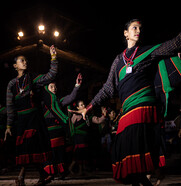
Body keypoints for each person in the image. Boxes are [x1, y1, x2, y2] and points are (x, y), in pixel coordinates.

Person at [69, 1, 181, 185]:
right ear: (125, 33)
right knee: (125, 151)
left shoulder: (148, 52)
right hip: (127, 108)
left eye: (140, 28)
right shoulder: (118, 60)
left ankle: (151, 173)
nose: (138, 31)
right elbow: (108, 88)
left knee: (134, 147)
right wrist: (88, 107)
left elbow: (175, 43)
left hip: (144, 105)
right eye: (134, 28)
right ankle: (147, 180)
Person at [4, 45, 58, 185]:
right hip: (22, 121)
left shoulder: (32, 78)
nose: (25, 62)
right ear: (15, 65)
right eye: (22, 60)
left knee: (33, 147)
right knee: (26, 149)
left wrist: (53, 57)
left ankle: (22, 177)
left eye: (26, 60)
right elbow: (10, 106)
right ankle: (43, 175)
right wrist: (9, 125)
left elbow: (51, 75)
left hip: (34, 119)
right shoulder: (11, 84)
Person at [41, 73, 82, 181]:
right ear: (46, 89)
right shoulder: (42, 104)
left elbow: (71, 97)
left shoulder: (59, 101)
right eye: (51, 87)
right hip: (48, 134)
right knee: (50, 154)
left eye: (55, 87)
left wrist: (76, 86)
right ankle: (50, 173)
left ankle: (62, 172)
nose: (54, 89)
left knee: (60, 153)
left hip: (59, 133)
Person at [68, 100, 106, 176]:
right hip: (78, 137)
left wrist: (104, 115)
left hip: (85, 137)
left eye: (84, 104)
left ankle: (81, 170)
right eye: (81, 105)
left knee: (83, 153)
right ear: (78, 108)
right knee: (78, 153)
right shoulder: (75, 115)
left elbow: (98, 121)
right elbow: (71, 125)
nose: (83, 106)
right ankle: (71, 168)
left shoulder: (89, 116)